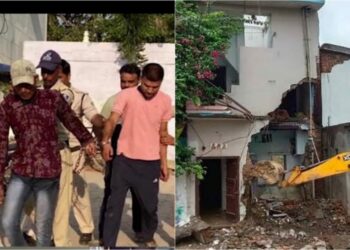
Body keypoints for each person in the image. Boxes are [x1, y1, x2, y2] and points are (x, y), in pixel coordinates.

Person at [0, 59, 96, 246]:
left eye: (28, 85)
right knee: (8, 221)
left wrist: (86, 139)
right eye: (20, 86)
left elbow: (71, 120)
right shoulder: (7, 105)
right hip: (22, 171)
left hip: (49, 171)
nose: (25, 90)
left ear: (35, 80)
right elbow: (1, 142)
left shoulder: (52, 98)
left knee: (44, 225)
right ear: (12, 84)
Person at [101, 63, 172, 247]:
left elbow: (162, 135)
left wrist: (164, 163)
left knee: (150, 207)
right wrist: (105, 142)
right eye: (147, 85)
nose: (150, 90)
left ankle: (147, 236)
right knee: (113, 205)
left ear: (160, 84)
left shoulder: (165, 101)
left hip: (150, 163)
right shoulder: (126, 95)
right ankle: (108, 243)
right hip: (124, 161)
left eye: (155, 87)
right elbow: (112, 120)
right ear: (141, 80)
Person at [35, 49, 82, 246]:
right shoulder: (37, 90)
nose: (45, 76)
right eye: (43, 71)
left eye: (50, 72)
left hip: (59, 151)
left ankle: (60, 242)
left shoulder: (65, 94)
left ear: (58, 71)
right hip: (37, 153)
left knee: (61, 202)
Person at [59, 59, 105, 245]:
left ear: (68, 76)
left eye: (60, 77)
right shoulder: (43, 95)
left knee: (77, 191)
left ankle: (87, 229)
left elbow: (93, 115)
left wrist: (102, 123)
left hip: (73, 150)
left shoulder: (80, 96)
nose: (56, 81)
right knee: (42, 192)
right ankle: (30, 230)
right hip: (47, 150)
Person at [99, 63, 142, 245]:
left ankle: (140, 232)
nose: (125, 85)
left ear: (139, 81)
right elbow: (101, 125)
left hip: (140, 153)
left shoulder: (148, 101)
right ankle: (104, 235)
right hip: (116, 154)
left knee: (140, 194)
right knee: (111, 193)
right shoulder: (112, 101)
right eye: (123, 81)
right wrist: (104, 144)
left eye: (130, 82)